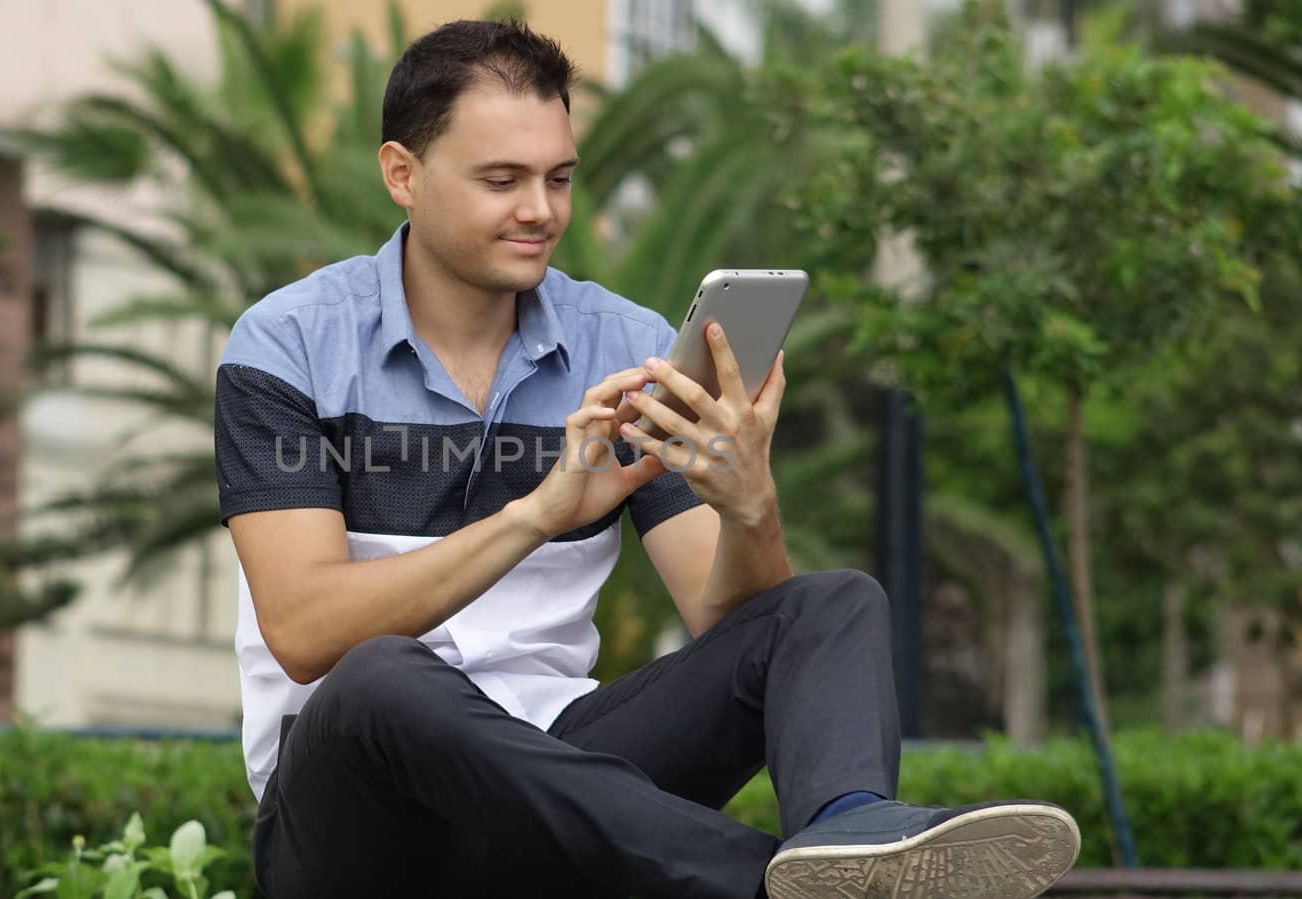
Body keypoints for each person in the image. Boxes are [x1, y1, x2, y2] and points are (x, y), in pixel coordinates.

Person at [215, 18, 1080, 899]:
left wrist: (749, 503)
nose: (540, 211)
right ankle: (758, 883)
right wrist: (539, 513)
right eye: (501, 180)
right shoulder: (290, 345)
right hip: (358, 825)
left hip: (559, 787)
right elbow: (305, 631)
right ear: (402, 172)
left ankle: (846, 838)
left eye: (559, 179)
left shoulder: (623, 346)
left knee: (830, 604)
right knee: (381, 679)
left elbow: (733, 628)